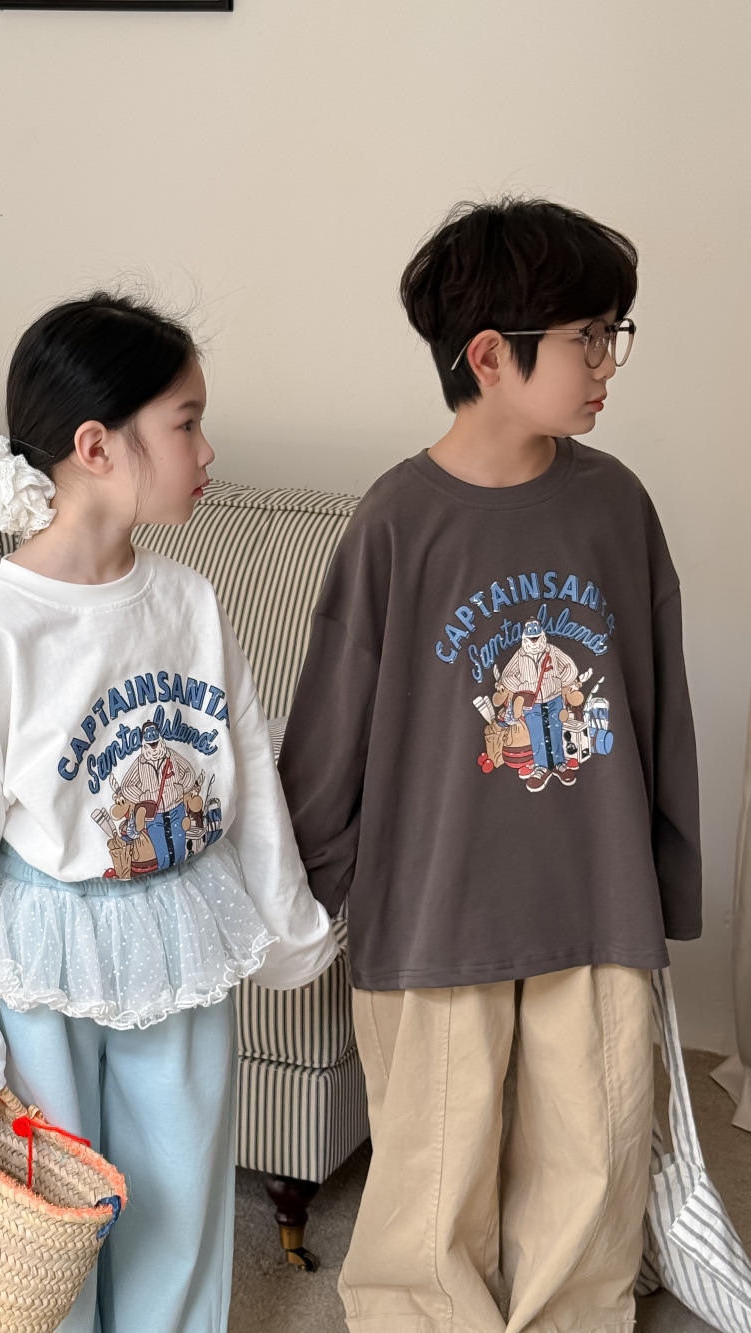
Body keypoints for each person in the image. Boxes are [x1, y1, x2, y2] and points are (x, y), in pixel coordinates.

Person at [278, 198, 701, 1333]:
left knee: (593, 1151)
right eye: (586, 336)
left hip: (594, 892)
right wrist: (310, 885)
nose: (607, 362)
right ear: (488, 356)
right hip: (435, 900)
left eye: (613, 333)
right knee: (432, 1168)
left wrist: (662, 876)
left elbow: (655, 701)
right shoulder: (397, 520)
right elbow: (333, 720)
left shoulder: (614, 504)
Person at [0, 293, 338, 1333]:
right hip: (42, 956)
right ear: (96, 447)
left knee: (179, 1198)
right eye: (187, 422)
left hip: (178, 932)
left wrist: (290, 923)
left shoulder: (190, 601)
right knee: (50, 1212)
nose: (207, 448)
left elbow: (245, 772)